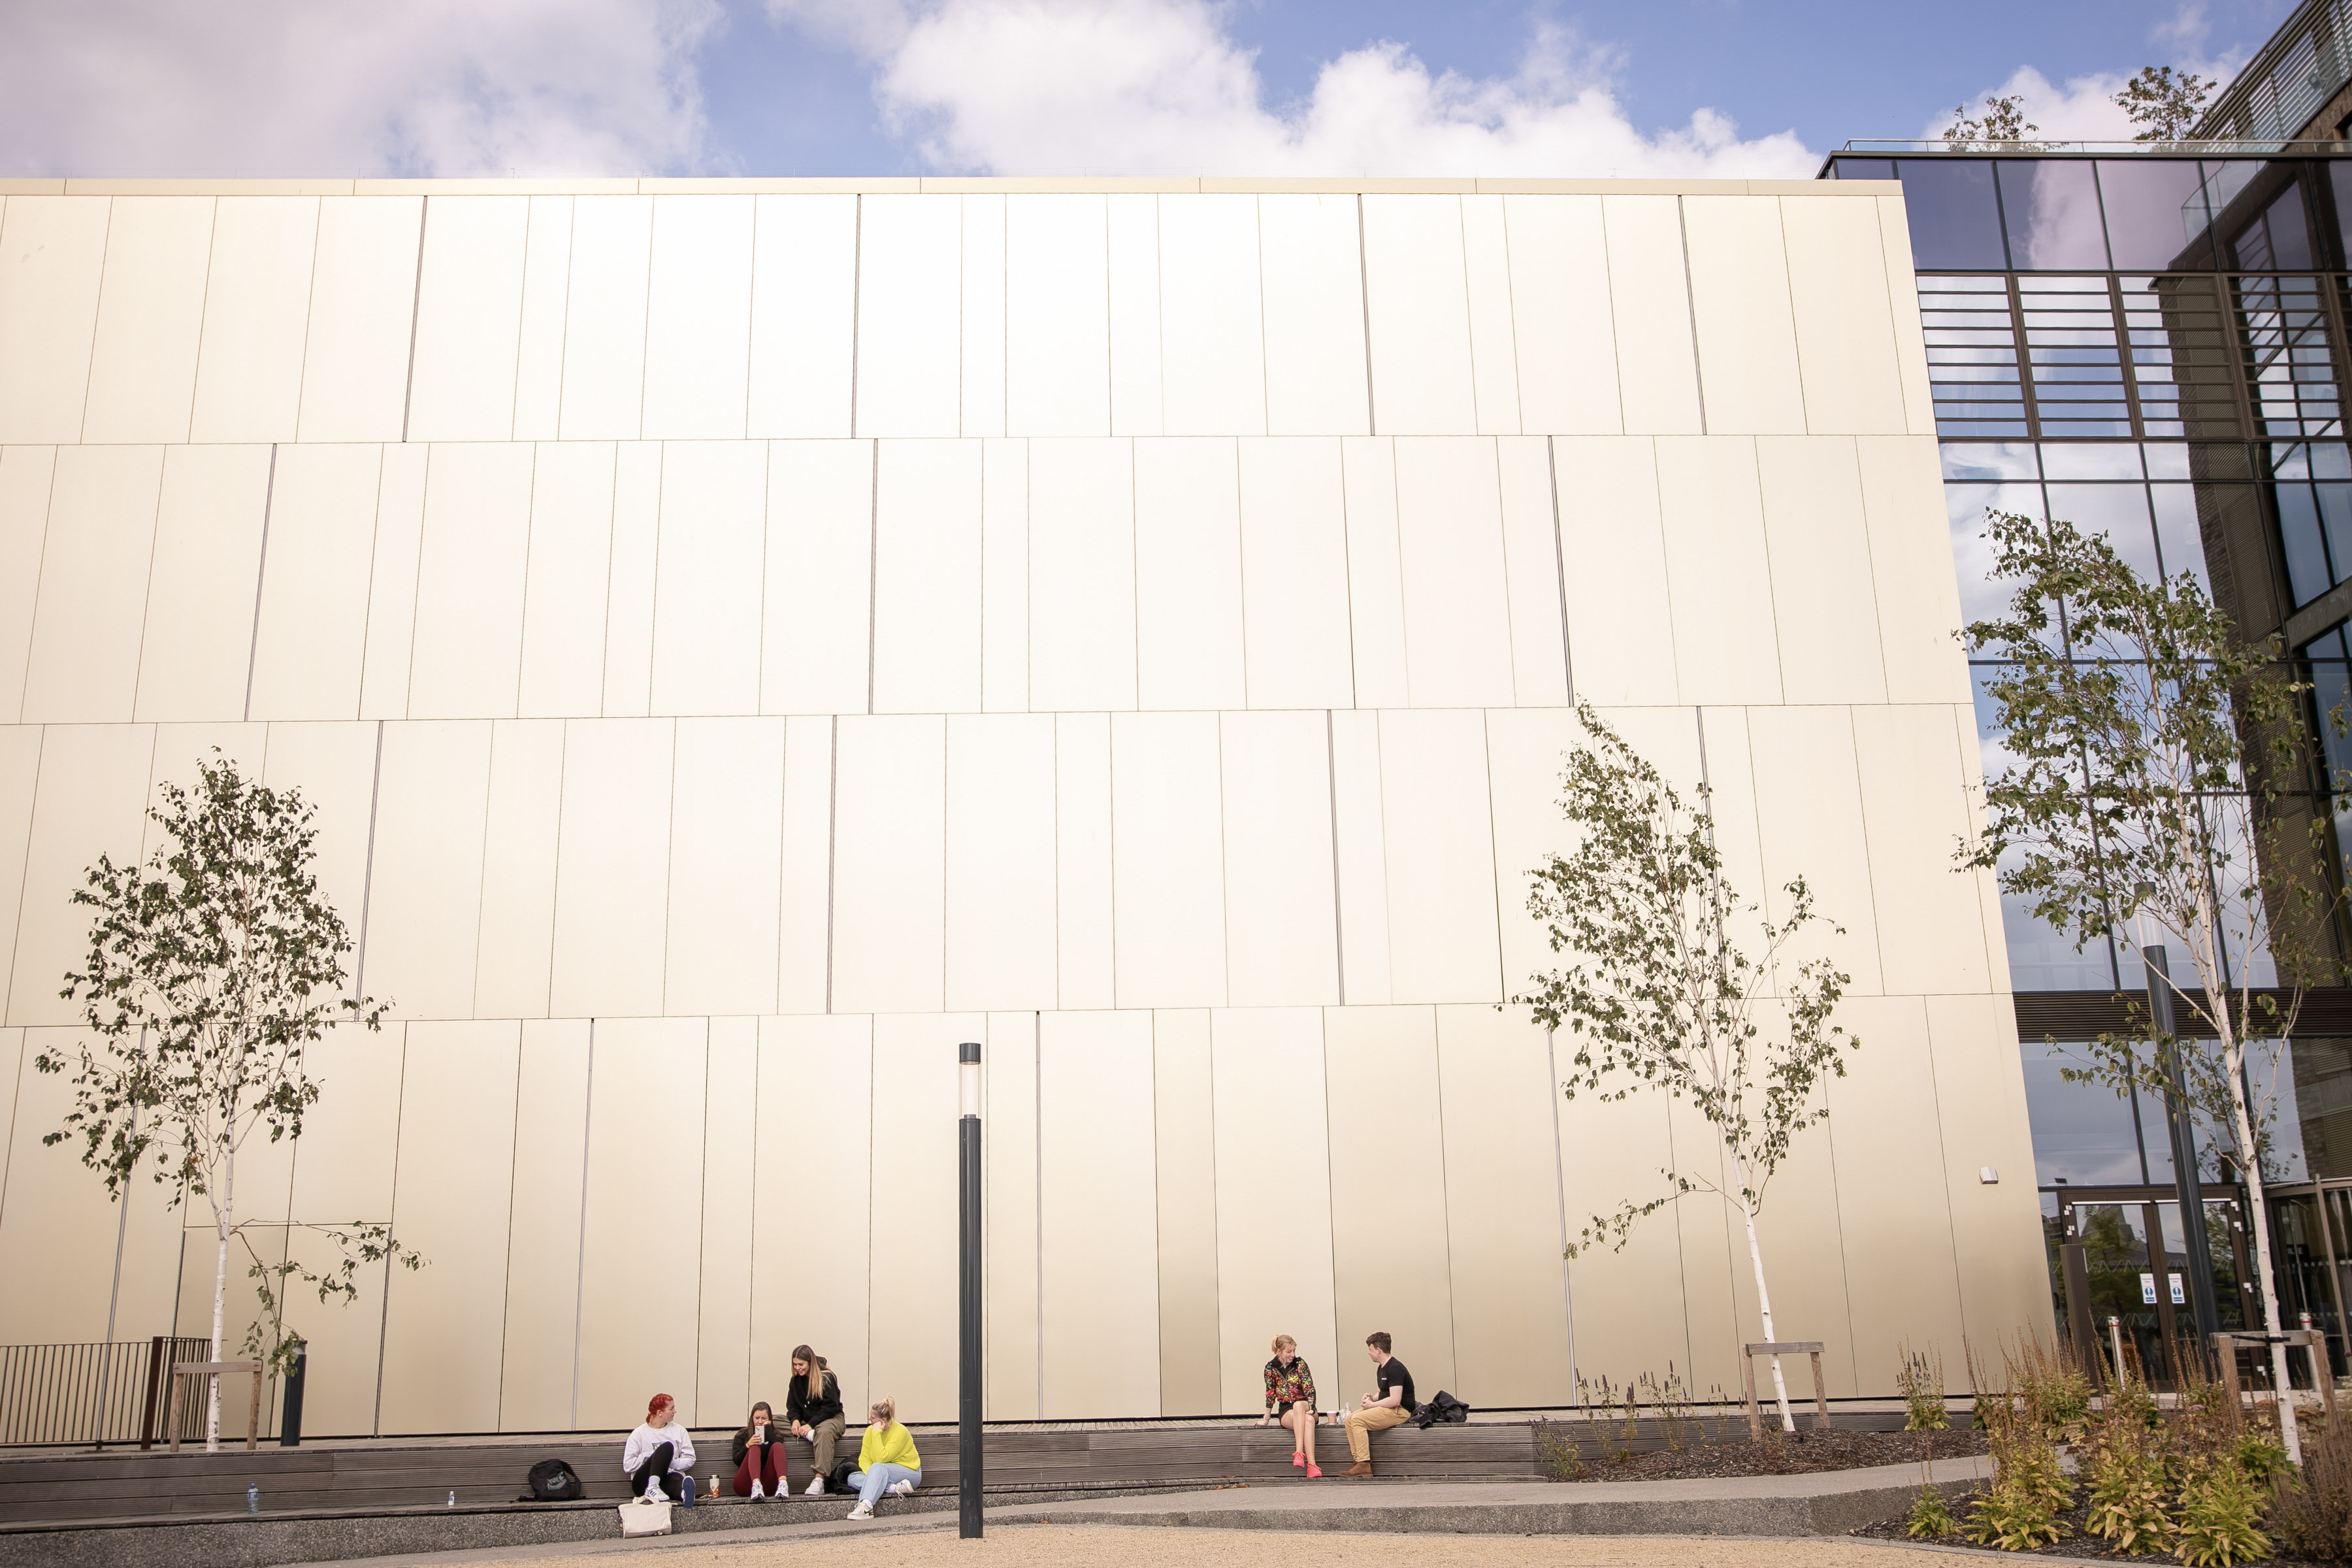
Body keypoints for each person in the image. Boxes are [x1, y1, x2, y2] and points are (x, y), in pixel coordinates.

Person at [1343, 1331, 1415, 1478]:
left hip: (1399, 1411)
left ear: (1378, 1350)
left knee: (1357, 1420)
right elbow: (1382, 1393)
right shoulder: (1382, 1368)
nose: (1368, 1353)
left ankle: (1364, 1464)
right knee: (1349, 1419)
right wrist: (1372, 1399)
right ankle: (1358, 1462)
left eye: (1370, 1349)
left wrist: (1372, 1406)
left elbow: (1395, 1400)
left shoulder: (1395, 1368)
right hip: (1388, 1407)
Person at [841, 1397, 922, 1520]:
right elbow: (864, 1459)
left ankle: (866, 1507)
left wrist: (876, 1433)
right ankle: (892, 1488)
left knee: (878, 1467)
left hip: (909, 1473)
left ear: (883, 1420)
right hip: (883, 1472)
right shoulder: (869, 1431)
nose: (870, 1419)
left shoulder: (899, 1431)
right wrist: (873, 1476)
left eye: (873, 1418)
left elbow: (882, 1458)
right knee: (852, 1478)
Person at [1256, 1333, 1324, 1478]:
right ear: (1279, 1351)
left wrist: (1312, 1407)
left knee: (1300, 1407)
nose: (1292, 1355)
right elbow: (1270, 1394)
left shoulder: (1300, 1364)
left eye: (1294, 1351)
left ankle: (1299, 1452)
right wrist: (1266, 1420)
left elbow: (1310, 1388)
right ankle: (1312, 1466)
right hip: (1286, 1409)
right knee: (1308, 1421)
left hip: (1306, 1405)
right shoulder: (1271, 1368)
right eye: (1289, 1352)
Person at [785, 1345, 846, 1496]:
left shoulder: (826, 1377)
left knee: (824, 1432)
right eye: (795, 1364)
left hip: (831, 1418)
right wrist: (795, 1420)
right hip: (806, 1421)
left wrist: (811, 1424)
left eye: (801, 1364)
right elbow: (792, 1407)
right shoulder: (795, 1380)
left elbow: (831, 1408)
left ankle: (819, 1479)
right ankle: (810, 1434)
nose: (797, 1368)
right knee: (772, 1421)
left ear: (810, 1362)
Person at [622, 1393, 697, 1502]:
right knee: (666, 1447)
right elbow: (628, 1465)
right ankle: (653, 1486)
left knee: (676, 1481)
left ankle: (684, 1495)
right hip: (644, 1483)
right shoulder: (639, 1433)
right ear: (659, 1413)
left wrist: (670, 1462)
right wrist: (650, 1457)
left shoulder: (679, 1431)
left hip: (668, 1477)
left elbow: (690, 1458)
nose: (675, 1411)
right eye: (671, 1409)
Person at [731, 1399, 785, 1499]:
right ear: (752, 1418)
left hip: (768, 1484)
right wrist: (748, 1445)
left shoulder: (775, 1435)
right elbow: (737, 1460)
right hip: (746, 1483)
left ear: (769, 1420)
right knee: (755, 1448)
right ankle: (756, 1485)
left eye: (764, 1418)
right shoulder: (742, 1435)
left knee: (777, 1446)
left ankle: (783, 1484)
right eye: (757, 1418)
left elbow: (778, 1447)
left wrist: (767, 1429)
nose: (760, 1422)